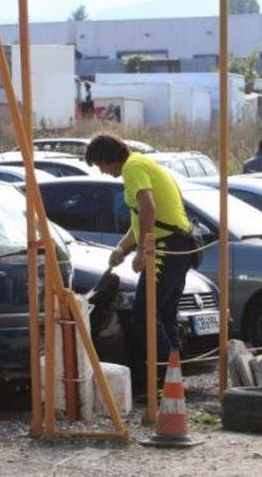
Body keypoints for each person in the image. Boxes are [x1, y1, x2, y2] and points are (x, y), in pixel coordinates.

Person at [85, 133, 192, 391]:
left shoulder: (132, 168)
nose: (102, 171)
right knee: (164, 315)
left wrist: (144, 250)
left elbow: (149, 207)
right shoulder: (139, 163)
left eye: (100, 165)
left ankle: (169, 381)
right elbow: (141, 217)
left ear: (109, 158)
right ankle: (173, 383)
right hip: (177, 242)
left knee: (145, 315)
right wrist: (122, 247)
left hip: (165, 248)